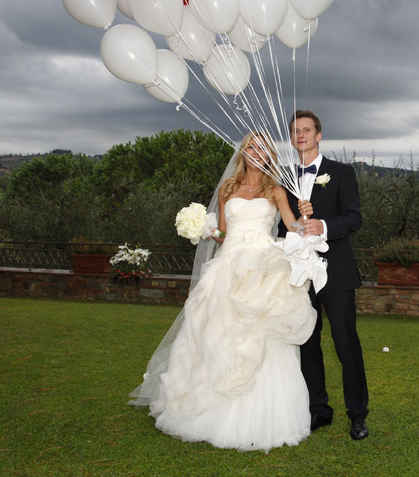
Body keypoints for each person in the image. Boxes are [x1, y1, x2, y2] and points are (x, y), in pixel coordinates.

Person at [129, 132, 317, 453]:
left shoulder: (275, 190)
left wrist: (305, 217)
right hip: (227, 265)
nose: (255, 153)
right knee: (214, 334)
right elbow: (223, 235)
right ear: (242, 153)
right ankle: (206, 409)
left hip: (260, 267)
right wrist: (204, 228)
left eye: (261, 148)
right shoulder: (228, 189)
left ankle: (261, 418)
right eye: (250, 148)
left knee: (258, 336)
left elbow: (292, 226)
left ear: (269, 154)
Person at [281, 110, 369, 441]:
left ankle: (358, 414)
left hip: (337, 273)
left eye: (307, 130)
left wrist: (324, 226)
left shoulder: (341, 173)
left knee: (346, 344)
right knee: (307, 342)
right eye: (295, 131)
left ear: (319, 135)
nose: (301, 135)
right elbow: (281, 225)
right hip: (299, 276)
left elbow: (354, 218)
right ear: (292, 139)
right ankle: (319, 410)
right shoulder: (284, 177)